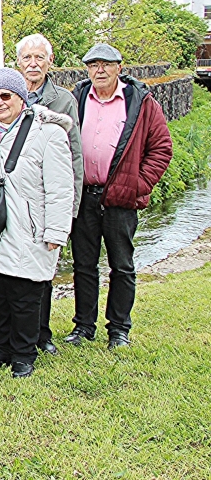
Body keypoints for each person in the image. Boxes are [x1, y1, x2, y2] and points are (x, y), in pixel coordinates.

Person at [0, 68, 74, 378]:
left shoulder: (48, 133)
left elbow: (61, 188)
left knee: (25, 296)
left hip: (29, 226)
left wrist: (56, 231)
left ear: (21, 97)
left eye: (5, 96)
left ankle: (23, 355)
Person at [66, 43, 172, 349]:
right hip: (85, 195)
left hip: (120, 198)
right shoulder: (79, 98)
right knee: (84, 265)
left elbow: (161, 148)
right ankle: (84, 326)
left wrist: (138, 185)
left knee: (122, 265)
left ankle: (119, 330)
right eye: (93, 65)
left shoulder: (140, 102)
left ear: (119, 68)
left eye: (106, 65)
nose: (99, 70)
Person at [16, 33, 84, 355]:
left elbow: (74, 154)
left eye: (39, 58)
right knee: (11, 270)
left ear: (49, 62)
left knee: (43, 270)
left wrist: (70, 209)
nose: (33, 64)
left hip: (46, 199)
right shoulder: (8, 96)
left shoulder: (63, 101)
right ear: (18, 63)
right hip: (15, 200)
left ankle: (42, 335)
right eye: (27, 58)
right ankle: (8, 333)